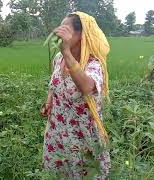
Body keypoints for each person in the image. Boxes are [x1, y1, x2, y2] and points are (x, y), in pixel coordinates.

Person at [40, 12, 111, 179]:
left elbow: (87, 87)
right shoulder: (58, 58)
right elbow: (54, 82)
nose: (58, 31)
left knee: (84, 173)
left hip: (82, 135)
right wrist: (49, 101)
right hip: (58, 129)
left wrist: (66, 52)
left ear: (80, 35)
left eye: (65, 28)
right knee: (59, 174)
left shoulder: (93, 64)